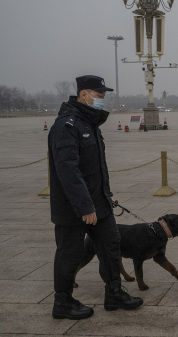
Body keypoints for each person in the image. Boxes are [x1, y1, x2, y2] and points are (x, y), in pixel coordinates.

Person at [48, 75, 143, 320]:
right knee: (70, 253)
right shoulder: (66, 126)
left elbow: (96, 168)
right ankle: (63, 302)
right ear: (84, 95)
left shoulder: (89, 124)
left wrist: (105, 197)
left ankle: (114, 293)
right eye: (99, 95)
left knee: (111, 244)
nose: (102, 100)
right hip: (74, 208)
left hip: (99, 203)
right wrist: (84, 206)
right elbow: (68, 170)